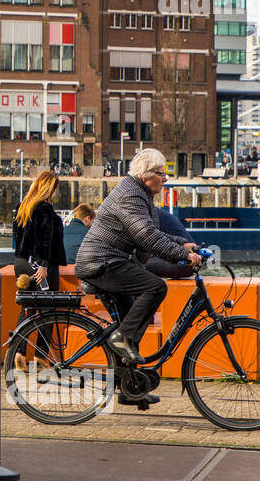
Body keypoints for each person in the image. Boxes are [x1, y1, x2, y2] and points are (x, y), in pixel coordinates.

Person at [75, 149, 200, 389]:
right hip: (102, 263)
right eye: (161, 174)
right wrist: (183, 255)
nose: (165, 179)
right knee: (155, 288)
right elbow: (146, 237)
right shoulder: (131, 196)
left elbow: (151, 233)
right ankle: (122, 339)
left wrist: (182, 244)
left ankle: (128, 388)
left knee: (131, 321)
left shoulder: (139, 193)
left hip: (113, 260)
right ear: (146, 175)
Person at [13, 172, 67, 292]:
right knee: (48, 306)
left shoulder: (22, 208)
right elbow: (43, 240)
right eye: (55, 189)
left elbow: (16, 237)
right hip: (40, 266)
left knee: (27, 306)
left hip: (21, 263)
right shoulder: (44, 208)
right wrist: (43, 265)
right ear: (50, 189)